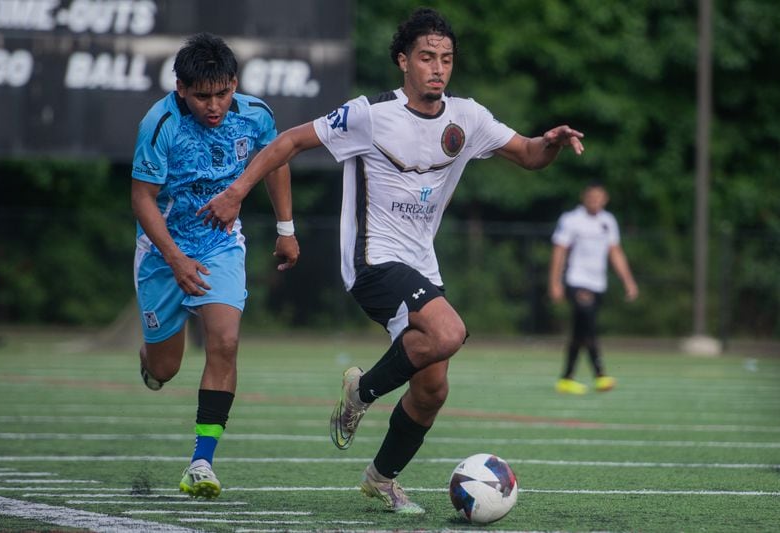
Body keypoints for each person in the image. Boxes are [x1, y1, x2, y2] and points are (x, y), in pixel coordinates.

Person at [198, 8, 583, 514]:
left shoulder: (467, 117)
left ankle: (381, 478)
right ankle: (363, 390)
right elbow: (288, 141)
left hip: (422, 265)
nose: (437, 67)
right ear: (404, 61)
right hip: (371, 261)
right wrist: (237, 192)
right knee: (447, 333)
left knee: (433, 389)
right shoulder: (370, 115)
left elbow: (530, 155)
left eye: (446, 58)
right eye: (426, 57)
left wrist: (550, 143)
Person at [131, 32, 299, 500]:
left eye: (223, 93)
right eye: (203, 96)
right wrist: (175, 258)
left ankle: (201, 461)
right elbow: (142, 199)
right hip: (164, 252)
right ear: (181, 88)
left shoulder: (255, 114)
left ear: (234, 84)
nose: (215, 105)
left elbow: (277, 162)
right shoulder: (160, 123)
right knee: (165, 369)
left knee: (224, 341)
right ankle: (150, 360)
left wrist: (286, 229)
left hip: (221, 247)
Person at [549, 181, 638, 394]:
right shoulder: (571, 220)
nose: (595, 202)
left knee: (581, 331)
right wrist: (554, 283)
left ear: (605, 199)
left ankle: (566, 378)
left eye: (599, 198)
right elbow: (559, 251)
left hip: (598, 283)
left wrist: (628, 281)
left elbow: (615, 252)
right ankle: (600, 375)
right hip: (577, 281)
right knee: (589, 325)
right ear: (584, 198)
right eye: (591, 198)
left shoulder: (608, 221)